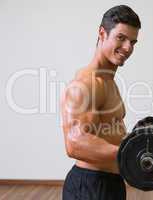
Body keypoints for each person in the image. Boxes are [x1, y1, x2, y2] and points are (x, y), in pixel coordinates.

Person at [60, 5, 141, 200]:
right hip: (90, 186)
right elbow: (75, 143)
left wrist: (140, 142)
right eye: (121, 38)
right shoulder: (86, 83)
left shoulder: (109, 82)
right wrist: (129, 153)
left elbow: (109, 133)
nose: (128, 48)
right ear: (102, 33)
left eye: (133, 41)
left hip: (109, 183)